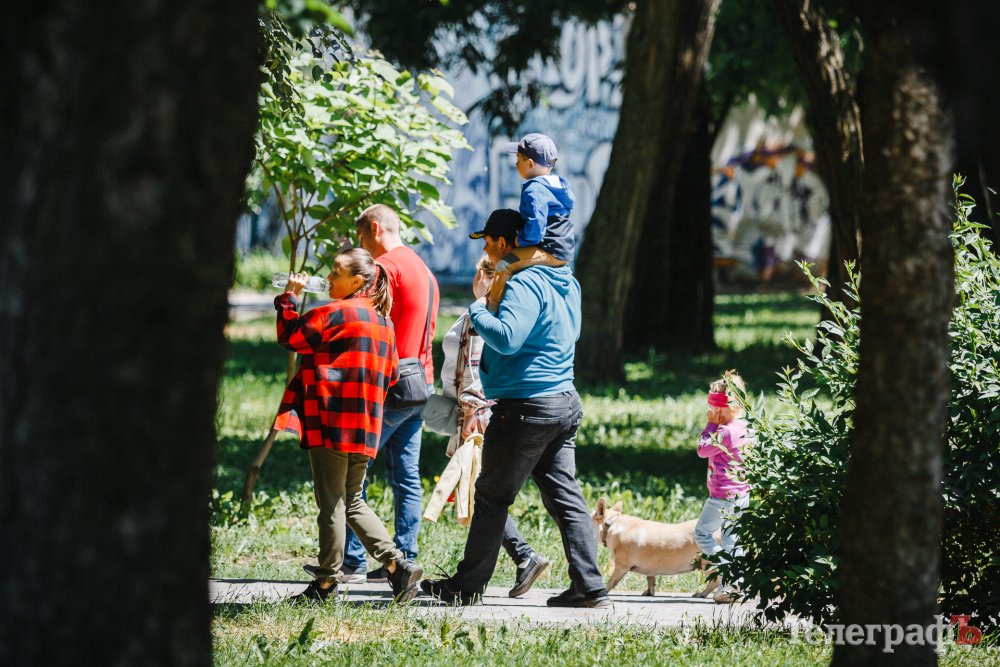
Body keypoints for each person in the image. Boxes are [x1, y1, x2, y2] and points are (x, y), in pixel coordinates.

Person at [421, 209, 609, 608]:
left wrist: (478, 305)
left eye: (489, 243)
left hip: (525, 407)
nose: (487, 251)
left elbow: (507, 339)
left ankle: (466, 587)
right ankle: (589, 586)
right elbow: (569, 333)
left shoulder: (524, 282)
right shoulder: (566, 280)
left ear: (505, 243)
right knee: (565, 497)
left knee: (491, 495)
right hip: (563, 401)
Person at [273, 249, 424, 603]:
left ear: (356, 281)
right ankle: (397, 565)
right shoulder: (385, 323)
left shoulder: (331, 314)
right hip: (365, 426)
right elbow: (392, 374)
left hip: (330, 421)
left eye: (335, 272)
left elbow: (291, 337)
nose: (328, 277)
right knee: (352, 500)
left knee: (332, 503)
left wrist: (289, 299)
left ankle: (326, 583)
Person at [422, 251, 550, 598]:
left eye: (480, 272)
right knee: (480, 491)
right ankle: (520, 559)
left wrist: (472, 414)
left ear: (487, 277)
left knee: (484, 493)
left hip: (477, 415)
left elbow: (476, 367)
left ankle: (523, 557)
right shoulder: (487, 311)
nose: (475, 278)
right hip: (471, 412)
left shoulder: (485, 313)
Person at [342, 204, 440, 583]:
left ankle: (354, 560)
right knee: (406, 475)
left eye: (362, 237)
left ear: (375, 228)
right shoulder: (424, 269)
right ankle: (405, 556)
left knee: (353, 469)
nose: (362, 246)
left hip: (392, 384)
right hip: (421, 383)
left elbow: (361, 317)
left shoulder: (385, 268)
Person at [477, 133, 575, 311]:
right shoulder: (560, 185)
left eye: (518, 160)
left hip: (548, 250)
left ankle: (491, 309)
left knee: (505, 264)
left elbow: (535, 228)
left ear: (530, 164)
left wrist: (520, 240)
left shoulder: (534, 190)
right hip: (564, 250)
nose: (515, 164)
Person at [693, 370, 751, 604]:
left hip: (722, 496)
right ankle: (736, 585)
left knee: (702, 534)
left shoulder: (724, 432)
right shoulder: (745, 427)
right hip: (741, 494)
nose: (713, 412)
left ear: (726, 408)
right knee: (732, 540)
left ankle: (729, 572)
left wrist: (710, 425)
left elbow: (702, 450)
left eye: (715, 409)